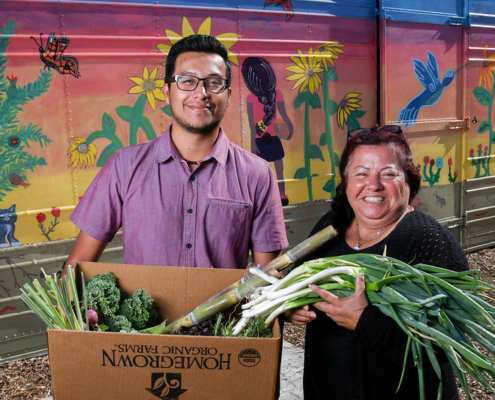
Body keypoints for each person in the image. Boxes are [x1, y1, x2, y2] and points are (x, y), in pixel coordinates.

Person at [64, 34, 288, 271]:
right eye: (187, 81)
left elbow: (268, 281)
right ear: (166, 91)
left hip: (228, 310)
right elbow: (76, 267)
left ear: (228, 95)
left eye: (214, 83)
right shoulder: (124, 166)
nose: (201, 93)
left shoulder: (257, 174)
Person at [283, 125, 468, 399]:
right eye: (361, 173)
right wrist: (291, 306)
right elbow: (296, 278)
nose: (374, 185)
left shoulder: (430, 242)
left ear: (408, 180)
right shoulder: (331, 226)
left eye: (388, 174)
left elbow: (450, 343)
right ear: (346, 181)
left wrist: (365, 322)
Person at [242, 57, 294, 206]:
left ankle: (278, 196)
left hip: (262, 140)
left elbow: (253, 125)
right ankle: (281, 195)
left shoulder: (251, 98)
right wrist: (289, 128)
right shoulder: (276, 95)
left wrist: (253, 142)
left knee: (263, 173)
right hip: (273, 139)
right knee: (279, 171)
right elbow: (284, 117)